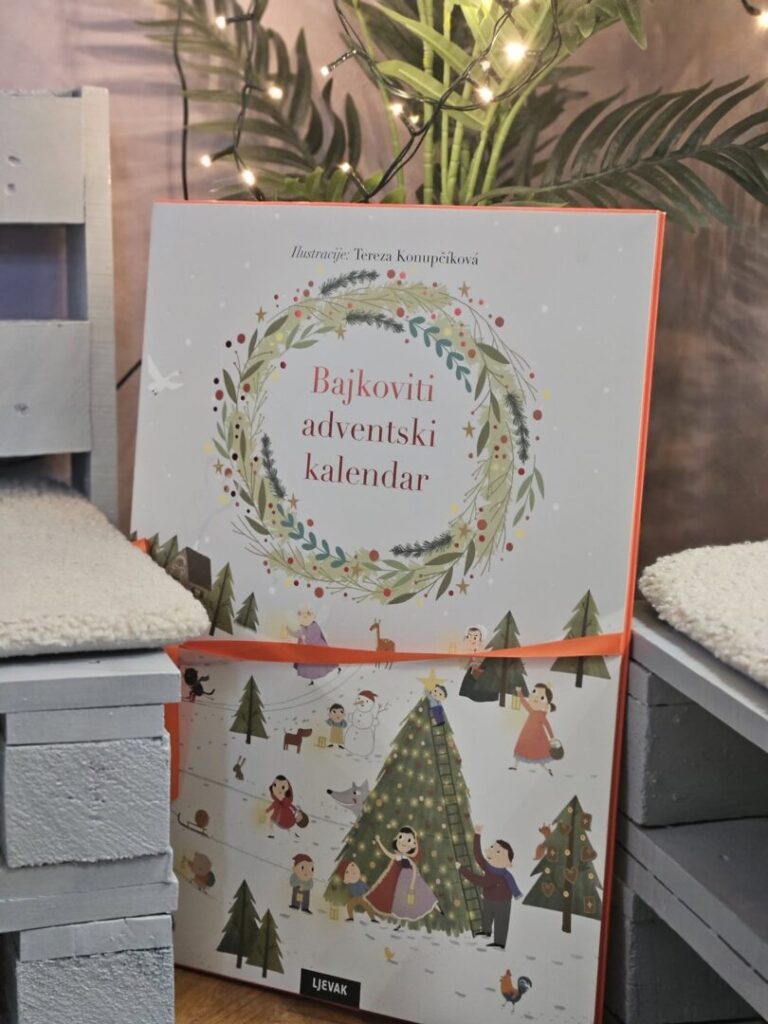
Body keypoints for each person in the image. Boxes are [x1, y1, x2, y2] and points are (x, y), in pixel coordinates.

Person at [457, 825, 521, 949]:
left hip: (502, 901)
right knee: (487, 915)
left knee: (501, 921)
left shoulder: (498, 875)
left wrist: (461, 869)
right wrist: (477, 835)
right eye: (493, 848)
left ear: (508, 863)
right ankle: (486, 931)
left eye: (498, 852)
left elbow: (479, 881)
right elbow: (478, 856)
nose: (493, 851)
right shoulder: (490, 868)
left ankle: (499, 943)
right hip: (489, 898)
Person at [366, 827, 439, 928]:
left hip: (411, 881)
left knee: (422, 896)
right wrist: (379, 841)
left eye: (408, 840)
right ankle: (399, 923)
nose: (403, 842)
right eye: (400, 837)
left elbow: (414, 870)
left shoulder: (408, 860)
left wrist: (412, 885)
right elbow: (387, 853)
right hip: (401, 882)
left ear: (414, 844)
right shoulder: (398, 857)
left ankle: (436, 907)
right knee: (400, 901)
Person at [510, 684, 557, 775]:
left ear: (547, 704)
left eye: (542, 697)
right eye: (534, 692)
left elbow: (548, 726)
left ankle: (547, 769)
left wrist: (552, 738)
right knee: (520, 750)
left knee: (538, 755)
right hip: (526, 735)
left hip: (537, 737)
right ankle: (515, 766)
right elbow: (524, 703)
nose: (536, 698)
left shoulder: (541, 715)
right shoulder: (532, 711)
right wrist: (519, 692)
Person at [287, 606, 339, 683]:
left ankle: (336, 669)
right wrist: (289, 631)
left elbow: (314, 637)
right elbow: (298, 634)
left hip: (315, 649)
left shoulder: (313, 625)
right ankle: (312, 680)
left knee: (317, 665)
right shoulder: (305, 626)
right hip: (311, 649)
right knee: (311, 667)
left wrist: (305, 641)